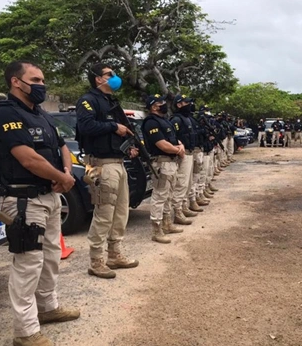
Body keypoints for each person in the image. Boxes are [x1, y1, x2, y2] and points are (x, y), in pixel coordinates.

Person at [0, 60, 80, 346]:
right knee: (28, 264)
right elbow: (28, 158)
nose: (42, 84)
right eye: (35, 79)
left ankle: (47, 307)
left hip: (48, 196)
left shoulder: (40, 114)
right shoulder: (4, 114)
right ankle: (25, 331)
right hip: (22, 200)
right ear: (16, 81)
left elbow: (62, 146)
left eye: (42, 79)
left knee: (51, 257)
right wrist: (62, 178)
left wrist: (64, 173)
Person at [75, 63, 140, 279]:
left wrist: (129, 145)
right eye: (109, 74)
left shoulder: (111, 101)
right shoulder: (88, 100)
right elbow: (86, 126)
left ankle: (114, 254)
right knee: (103, 212)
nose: (114, 77)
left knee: (121, 211)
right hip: (99, 164)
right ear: (97, 79)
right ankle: (96, 260)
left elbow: (120, 130)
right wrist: (114, 127)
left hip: (117, 162)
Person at [141, 94, 187, 244]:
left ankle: (167, 223)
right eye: (160, 102)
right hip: (161, 162)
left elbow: (173, 139)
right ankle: (157, 229)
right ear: (153, 106)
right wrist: (177, 150)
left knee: (169, 194)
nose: (163, 104)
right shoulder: (151, 123)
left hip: (171, 162)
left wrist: (180, 146)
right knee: (160, 195)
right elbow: (161, 144)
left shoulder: (164, 120)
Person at [172, 94, 205, 216]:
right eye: (186, 103)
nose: (189, 105)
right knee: (181, 183)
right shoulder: (176, 119)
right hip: (182, 154)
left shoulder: (187, 118)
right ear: (179, 105)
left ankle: (184, 206)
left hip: (190, 153)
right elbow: (172, 137)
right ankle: (178, 211)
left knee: (188, 182)